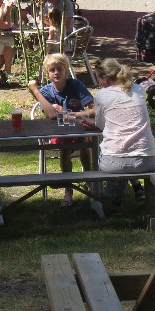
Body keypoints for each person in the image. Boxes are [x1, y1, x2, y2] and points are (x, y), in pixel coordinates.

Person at [28, 54, 94, 207]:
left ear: (66, 71)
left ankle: (90, 182)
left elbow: (94, 110)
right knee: (65, 144)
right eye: (52, 70)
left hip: (80, 129)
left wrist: (67, 114)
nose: (56, 73)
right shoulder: (45, 91)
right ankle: (68, 189)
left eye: (59, 69)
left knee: (84, 139)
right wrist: (35, 91)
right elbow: (51, 115)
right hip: (58, 133)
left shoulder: (76, 85)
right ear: (48, 73)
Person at [90, 58, 155, 207]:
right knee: (125, 155)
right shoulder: (139, 90)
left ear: (105, 79)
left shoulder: (101, 95)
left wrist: (91, 123)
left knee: (114, 156)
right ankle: (137, 190)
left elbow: (100, 125)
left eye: (98, 78)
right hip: (147, 159)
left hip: (114, 162)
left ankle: (115, 202)